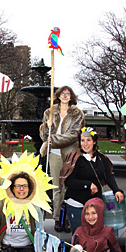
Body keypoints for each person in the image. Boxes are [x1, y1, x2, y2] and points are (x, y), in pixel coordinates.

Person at [60, 127, 124, 234]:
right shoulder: (74, 159)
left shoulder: (101, 158)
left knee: (95, 236)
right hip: (77, 204)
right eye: (82, 140)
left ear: (94, 142)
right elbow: (68, 181)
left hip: (95, 204)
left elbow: (108, 176)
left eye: (88, 140)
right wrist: (87, 184)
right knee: (79, 237)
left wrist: (116, 190)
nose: (85, 144)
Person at [39, 86, 85, 232]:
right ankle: (58, 218)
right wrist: (47, 126)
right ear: (58, 96)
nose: (65, 96)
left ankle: (69, 218)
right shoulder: (49, 112)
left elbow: (74, 135)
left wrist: (53, 141)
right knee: (56, 187)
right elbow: (43, 135)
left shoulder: (78, 114)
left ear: (71, 96)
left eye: (68, 93)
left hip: (70, 154)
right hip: (54, 154)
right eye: (63, 93)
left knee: (69, 186)